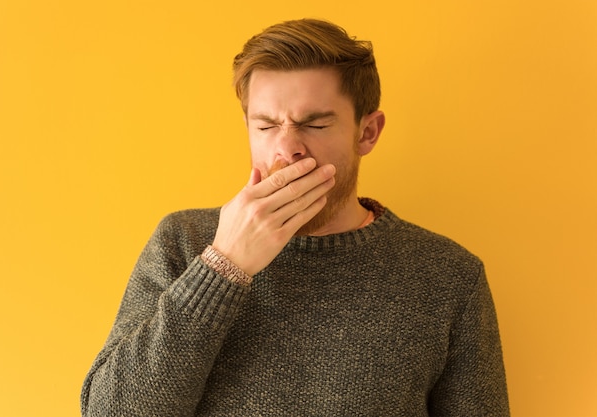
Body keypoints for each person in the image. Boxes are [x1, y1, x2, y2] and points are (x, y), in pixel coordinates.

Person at [81, 18, 510, 416]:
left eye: (315, 125)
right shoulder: (184, 241)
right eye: (266, 126)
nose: (287, 149)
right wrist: (223, 266)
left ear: (367, 132)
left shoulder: (448, 275)